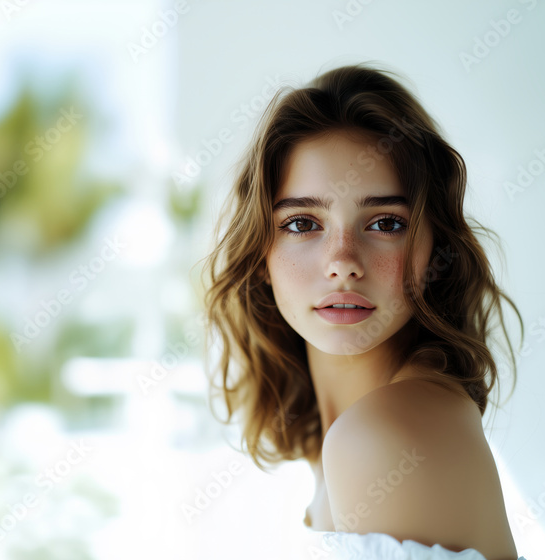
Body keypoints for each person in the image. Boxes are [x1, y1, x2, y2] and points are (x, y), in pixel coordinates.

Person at [200, 62, 527, 560]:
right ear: (260, 255)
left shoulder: (384, 436)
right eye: (303, 223)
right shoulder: (346, 435)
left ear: (433, 245)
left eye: (386, 223)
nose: (342, 264)